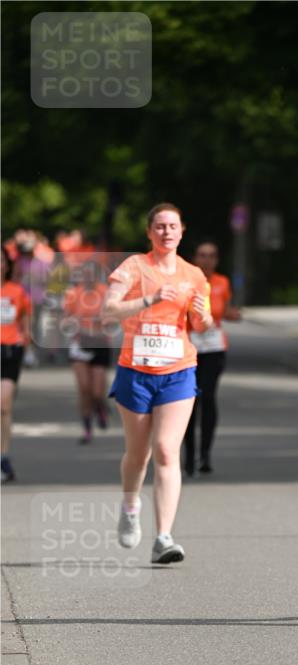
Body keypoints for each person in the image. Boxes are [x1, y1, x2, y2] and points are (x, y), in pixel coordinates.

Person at [102, 203, 213, 564]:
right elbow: (108, 309)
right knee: (139, 454)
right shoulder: (134, 267)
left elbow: (205, 324)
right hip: (135, 370)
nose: (167, 232)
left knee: (167, 450)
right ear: (150, 233)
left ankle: (164, 536)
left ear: (182, 232)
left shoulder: (194, 274)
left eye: (173, 226)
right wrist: (150, 298)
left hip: (178, 371)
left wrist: (202, 313)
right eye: (160, 226)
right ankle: (130, 505)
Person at [183, 240, 240, 476]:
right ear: (195, 258)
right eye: (202, 255)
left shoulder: (222, 282)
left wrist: (233, 314)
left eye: (212, 255)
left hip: (215, 346)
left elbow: (222, 310)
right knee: (189, 401)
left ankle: (205, 455)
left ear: (216, 259)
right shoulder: (186, 282)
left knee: (207, 396)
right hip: (190, 345)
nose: (207, 260)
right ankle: (188, 457)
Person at [63, 260, 112, 443]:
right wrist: (72, 324)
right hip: (80, 342)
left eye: (93, 272)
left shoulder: (105, 292)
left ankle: (101, 407)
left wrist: (103, 322)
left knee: (97, 392)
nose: (89, 276)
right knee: (84, 389)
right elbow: (65, 320)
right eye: (86, 273)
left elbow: (112, 318)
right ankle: (87, 429)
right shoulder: (74, 294)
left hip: (99, 343)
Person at [1, 247, 32, 482]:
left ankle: (3, 456)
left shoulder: (17, 291)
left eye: (1, 261)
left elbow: (25, 321)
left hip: (10, 351)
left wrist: (25, 346)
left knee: (3, 406)